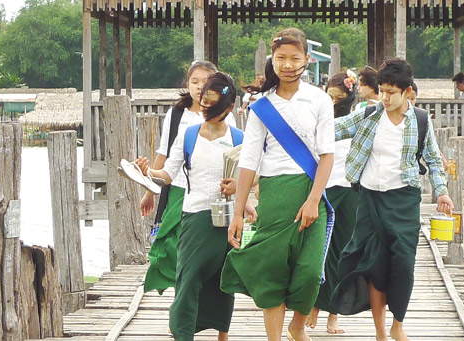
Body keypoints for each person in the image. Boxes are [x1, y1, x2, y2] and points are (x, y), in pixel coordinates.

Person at [220, 28, 335, 341]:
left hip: (310, 192)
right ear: (272, 61)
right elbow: (249, 161)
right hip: (273, 194)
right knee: (273, 271)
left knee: (310, 272)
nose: (287, 64)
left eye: (294, 58)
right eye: (280, 58)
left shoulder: (320, 100)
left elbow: (327, 156)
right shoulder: (261, 107)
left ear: (307, 60)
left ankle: (297, 324)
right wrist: (238, 211)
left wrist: (313, 200)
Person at [331, 58, 454, 341]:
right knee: (374, 264)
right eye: (382, 90)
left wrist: (442, 190)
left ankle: (398, 323)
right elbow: (334, 129)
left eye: (391, 92)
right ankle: (380, 332)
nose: (384, 98)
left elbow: (434, 159)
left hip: (404, 200)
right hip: (370, 198)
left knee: (403, 263)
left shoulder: (421, 120)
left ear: (407, 91)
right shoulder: (368, 115)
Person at [135, 72, 256, 340]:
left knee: (223, 279)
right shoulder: (189, 135)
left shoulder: (240, 138)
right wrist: (147, 174)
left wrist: (239, 189)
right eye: (204, 104)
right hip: (194, 216)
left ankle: (222, 334)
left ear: (229, 107)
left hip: (226, 219)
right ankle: (183, 333)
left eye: (213, 106)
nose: (207, 111)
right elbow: (167, 173)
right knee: (187, 279)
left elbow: (255, 174)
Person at [142, 61, 236, 295]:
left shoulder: (227, 118)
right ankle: (181, 290)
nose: (199, 88)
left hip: (211, 195)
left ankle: (196, 291)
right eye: (194, 82)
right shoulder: (176, 115)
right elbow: (163, 155)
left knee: (206, 250)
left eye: (205, 83)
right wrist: (149, 190)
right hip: (177, 190)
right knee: (172, 245)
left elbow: (237, 159)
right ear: (187, 84)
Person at [306, 72, 359, 335]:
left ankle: (333, 313)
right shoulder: (318, 117)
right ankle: (314, 303)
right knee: (318, 248)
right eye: (330, 93)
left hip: (348, 188)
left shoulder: (357, 118)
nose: (333, 99)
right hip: (321, 187)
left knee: (342, 250)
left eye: (339, 95)